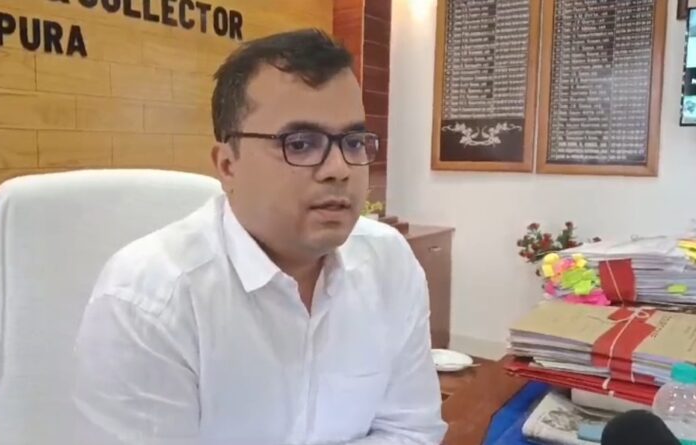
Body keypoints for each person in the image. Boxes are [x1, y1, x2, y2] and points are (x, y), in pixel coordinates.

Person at [72, 28, 447, 445]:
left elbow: (411, 431)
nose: (339, 169)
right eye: (300, 144)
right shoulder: (148, 299)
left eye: (354, 142)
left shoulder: (389, 262)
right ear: (228, 166)